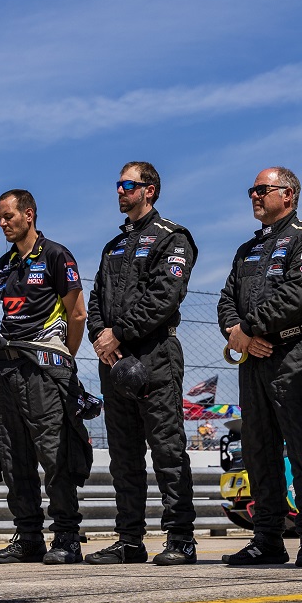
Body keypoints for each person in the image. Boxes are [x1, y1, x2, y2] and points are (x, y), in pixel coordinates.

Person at [85, 162, 199, 565]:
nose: (120, 190)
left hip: (155, 355)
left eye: (128, 184)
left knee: (167, 449)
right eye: (118, 184)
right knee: (123, 455)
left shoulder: (173, 239)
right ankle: (129, 539)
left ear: (149, 190)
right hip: (113, 360)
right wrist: (101, 338)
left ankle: (181, 538)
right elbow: (95, 298)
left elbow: (165, 297)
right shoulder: (113, 245)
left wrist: (120, 332)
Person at [218, 167, 302, 567]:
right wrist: (240, 334)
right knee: (259, 448)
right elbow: (226, 300)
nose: (254, 196)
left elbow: (299, 293)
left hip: (296, 349)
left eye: (262, 189)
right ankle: (267, 538)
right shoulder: (246, 249)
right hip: (253, 357)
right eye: (252, 190)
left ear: (289, 194)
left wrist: (248, 328)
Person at [0, 190, 93, 564]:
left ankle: (67, 538)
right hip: (7, 369)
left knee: (54, 453)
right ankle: (28, 537)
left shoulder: (57, 254)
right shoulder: (4, 263)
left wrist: (64, 359)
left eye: (8, 215)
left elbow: (77, 314)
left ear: (29, 214)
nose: (2, 223)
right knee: (14, 457)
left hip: (45, 367)